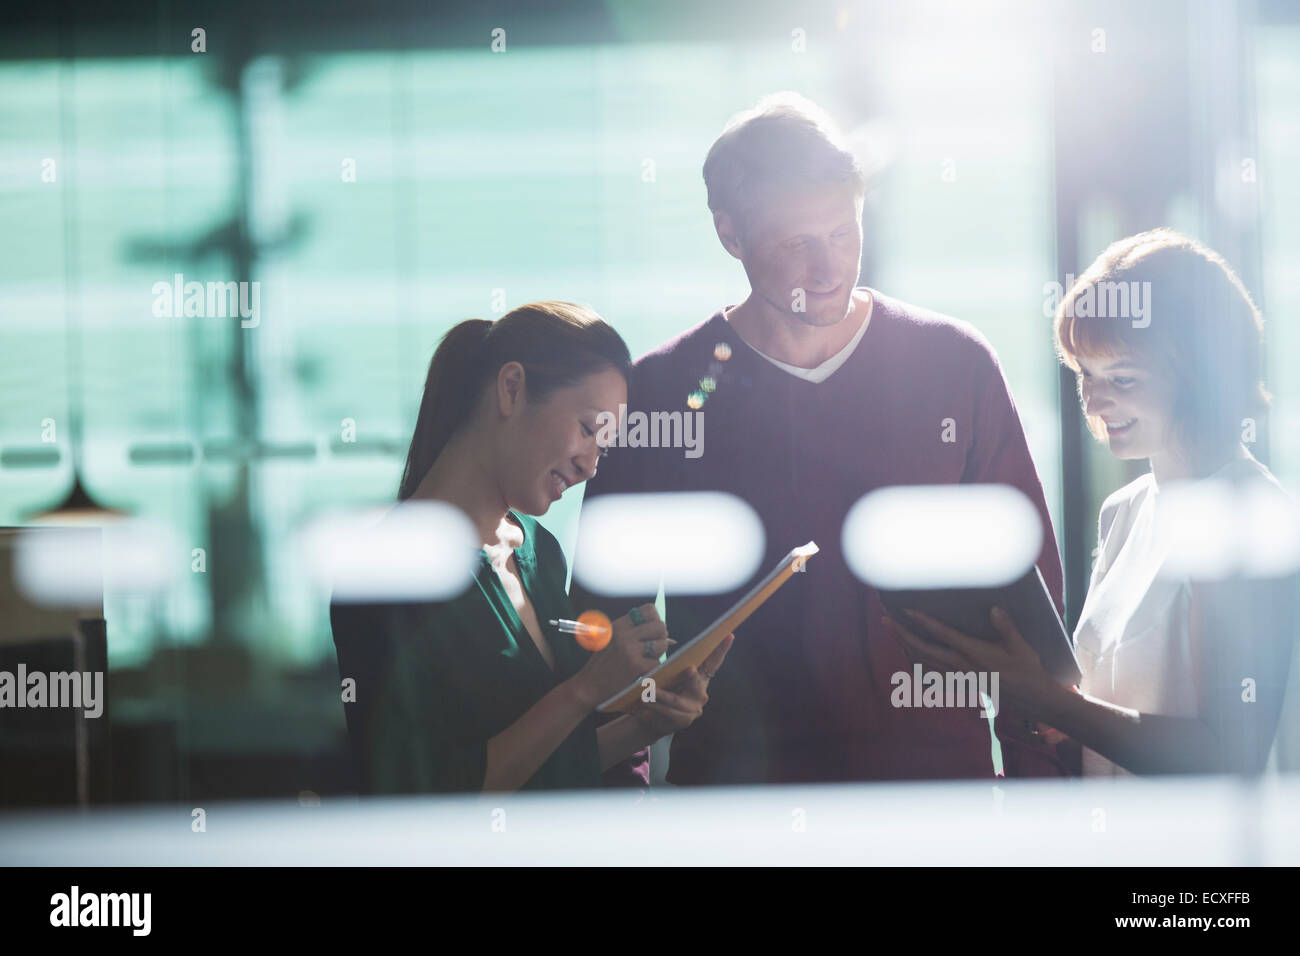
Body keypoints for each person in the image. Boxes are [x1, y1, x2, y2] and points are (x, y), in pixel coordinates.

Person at [571, 94, 1068, 785]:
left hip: (938, 809)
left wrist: (1042, 806)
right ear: (731, 234)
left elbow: (1032, 617)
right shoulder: (657, 393)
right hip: (732, 816)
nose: (829, 269)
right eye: (797, 244)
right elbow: (600, 636)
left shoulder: (955, 365)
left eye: (843, 233)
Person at [887, 229, 1298, 775]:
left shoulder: (1245, 517)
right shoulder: (1125, 512)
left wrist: (1054, 701)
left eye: (1122, 378)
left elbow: (1227, 756)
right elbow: (1108, 708)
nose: (1094, 400)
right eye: (1085, 373)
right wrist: (1052, 703)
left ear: (1199, 377)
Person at [331, 301, 733, 794]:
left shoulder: (540, 552)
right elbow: (424, 792)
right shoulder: (383, 572)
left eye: (603, 448)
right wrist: (585, 690)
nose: (591, 466)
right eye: (588, 430)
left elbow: (554, 764)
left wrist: (647, 725)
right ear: (512, 388)